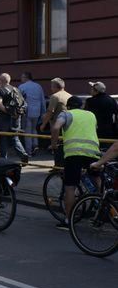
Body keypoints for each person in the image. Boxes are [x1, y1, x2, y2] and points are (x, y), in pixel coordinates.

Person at [50, 96, 101, 230]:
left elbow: (55, 128)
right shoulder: (91, 115)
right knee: (97, 179)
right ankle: (103, 207)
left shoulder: (66, 114)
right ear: (82, 106)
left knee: (70, 187)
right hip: (93, 152)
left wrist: (54, 144)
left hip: (74, 154)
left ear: (68, 106)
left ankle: (69, 220)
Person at [0, 73, 29, 163]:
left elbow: (0, 103)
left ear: (2, 80)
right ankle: (23, 154)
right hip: (16, 118)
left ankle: (3, 160)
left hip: (5, 118)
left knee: (2, 138)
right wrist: (14, 113)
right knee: (14, 137)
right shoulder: (16, 89)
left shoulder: (0, 90)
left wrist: (7, 111)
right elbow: (23, 103)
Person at [19, 72, 46, 155]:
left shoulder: (21, 87)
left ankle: (29, 151)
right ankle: (35, 145)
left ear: (26, 77)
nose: (21, 79)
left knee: (27, 131)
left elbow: (19, 101)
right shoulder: (38, 86)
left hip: (26, 112)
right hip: (37, 112)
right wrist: (43, 113)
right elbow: (42, 100)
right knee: (34, 129)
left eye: (22, 77)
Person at [84, 81, 118, 149]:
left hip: (94, 131)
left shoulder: (90, 101)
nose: (90, 91)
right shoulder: (111, 100)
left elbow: (86, 115)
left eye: (92, 89)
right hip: (109, 131)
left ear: (96, 91)